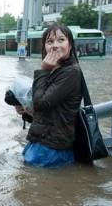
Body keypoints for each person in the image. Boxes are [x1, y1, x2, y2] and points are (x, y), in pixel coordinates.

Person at [23, 24, 82, 168]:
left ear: (70, 45)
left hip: (51, 148)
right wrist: (25, 110)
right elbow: (46, 110)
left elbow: (41, 104)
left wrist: (43, 70)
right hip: (43, 142)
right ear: (44, 47)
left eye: (61, 40)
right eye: (50, 42)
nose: (55, 46)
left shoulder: (70, 72)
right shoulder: (56, 70)